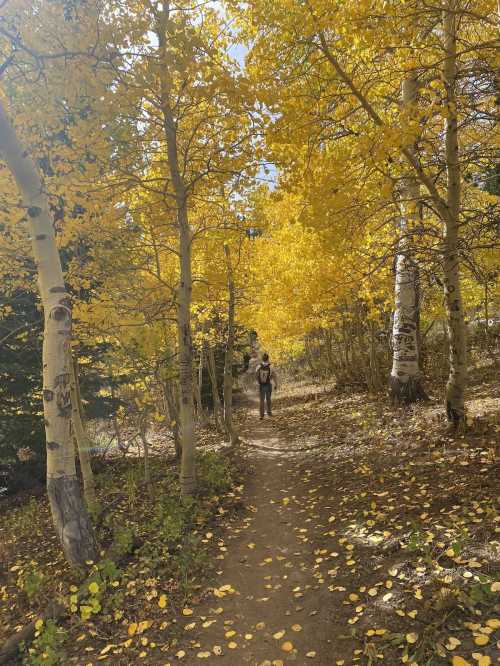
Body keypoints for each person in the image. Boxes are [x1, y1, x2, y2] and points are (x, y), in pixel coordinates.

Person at [255, 352, 278, 419]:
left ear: (262, 359)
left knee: (261, 400)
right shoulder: (271, 366)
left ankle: (261, 415)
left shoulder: (258, 366)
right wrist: (276, 384)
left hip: (261, 385)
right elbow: (274, 376)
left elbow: (256, 376)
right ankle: (269, 412)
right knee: (268, 399)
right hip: (268, 384)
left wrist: (258, 382)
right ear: (268, 359)